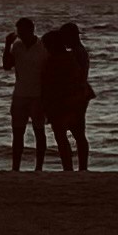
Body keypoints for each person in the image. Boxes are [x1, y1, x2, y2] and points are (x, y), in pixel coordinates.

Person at [39, 21, 93, 173]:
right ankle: (81, 168)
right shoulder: (75, 53)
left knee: (64, 134)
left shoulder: (72, 55)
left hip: (70, 98)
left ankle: (71, 168)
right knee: (78, 133)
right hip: (77, 96)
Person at [2, 16, 47, 173]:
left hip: (38, 95)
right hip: (20, 94)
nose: (20, 34)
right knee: (17, 132)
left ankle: (39, 167)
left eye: (22, 31)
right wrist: (7, 45)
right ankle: (16, 167)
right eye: (18, 31)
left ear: (31, 30)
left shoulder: (43, 46)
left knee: (39, 131)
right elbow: (7, 66)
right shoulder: (17, 46)